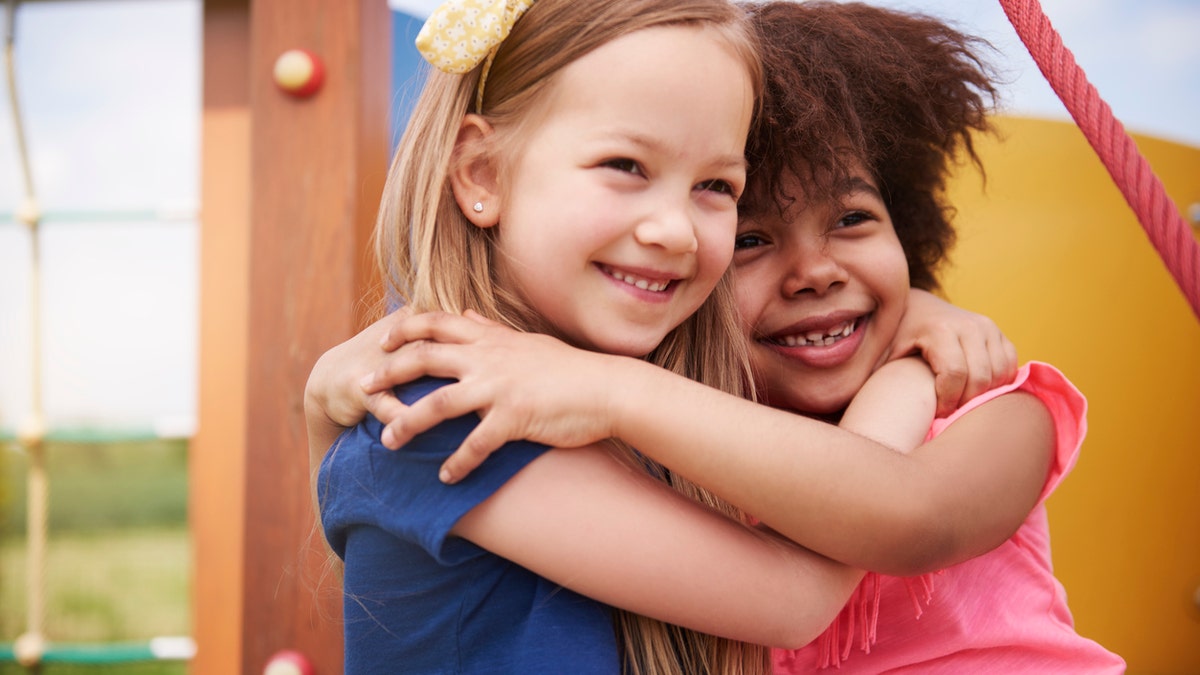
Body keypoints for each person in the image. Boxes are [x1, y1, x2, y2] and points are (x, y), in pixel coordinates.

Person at [311, 2, 1125, 672]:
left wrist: (915, 324)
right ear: (481, 175)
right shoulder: (461, 409)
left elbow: (917, 511)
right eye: (626, 165)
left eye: (713, 188)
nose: (671, 228)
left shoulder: (657, 425)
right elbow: (798, 596)